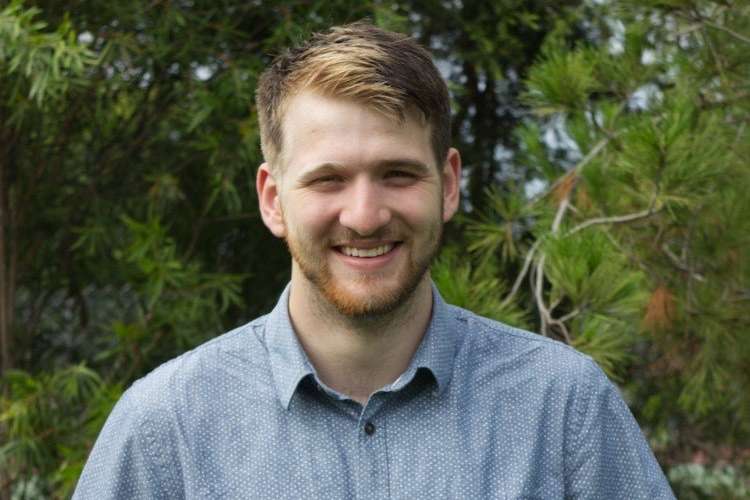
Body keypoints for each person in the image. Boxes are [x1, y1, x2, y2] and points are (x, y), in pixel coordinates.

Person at [74, 22, 675, 499]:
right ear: (272, 199)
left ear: (448, 184)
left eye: (397, 174)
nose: (364, 215)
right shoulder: (164, 428)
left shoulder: (563, 408)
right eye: (328, 179)